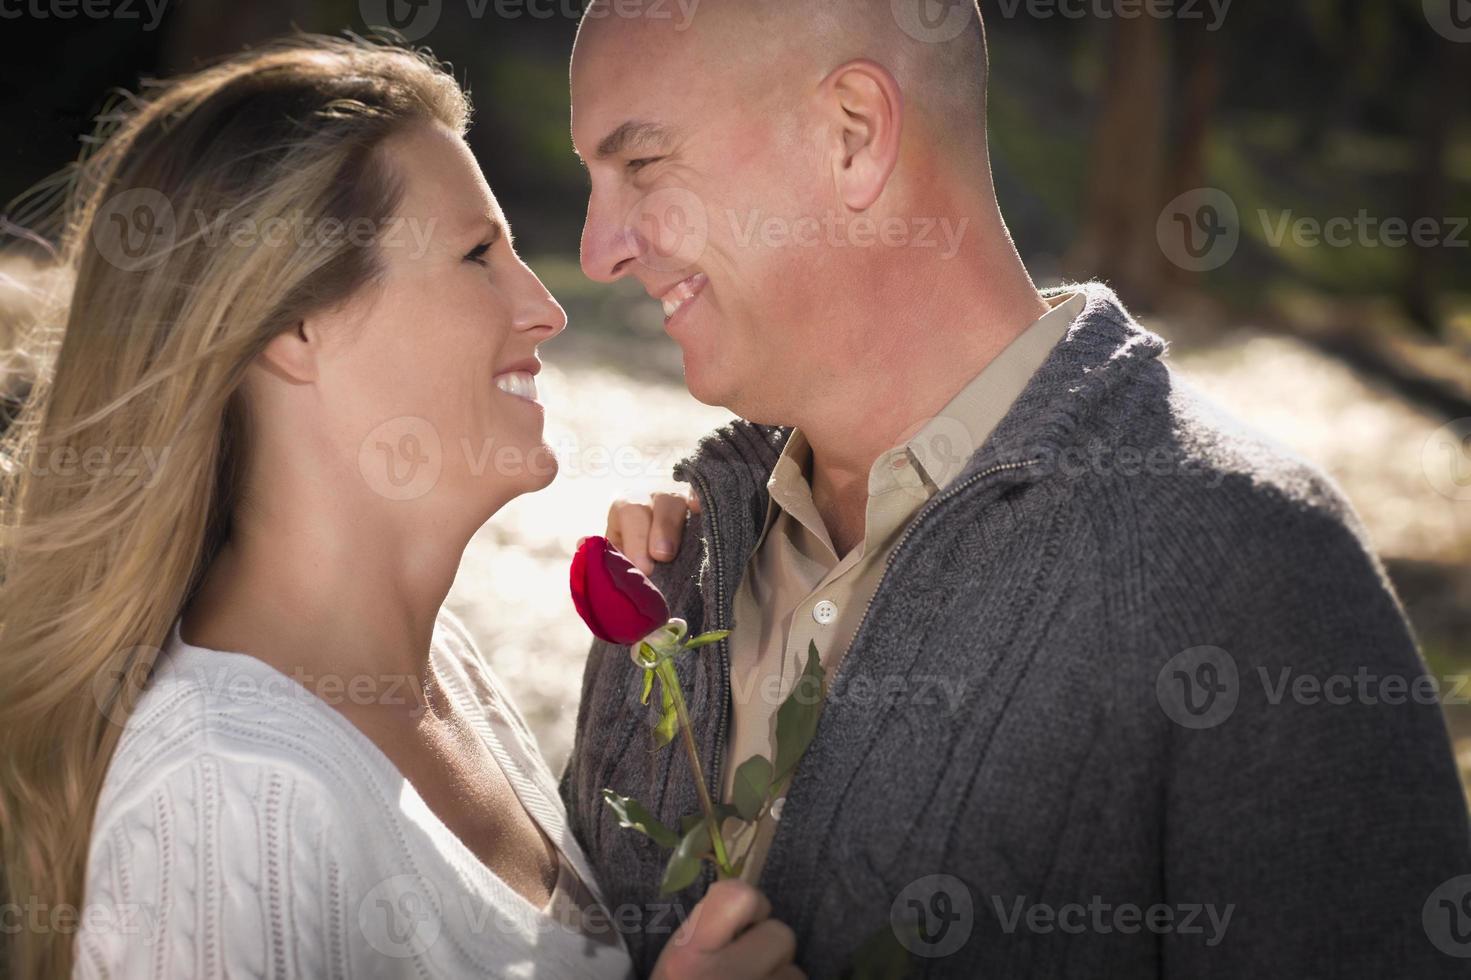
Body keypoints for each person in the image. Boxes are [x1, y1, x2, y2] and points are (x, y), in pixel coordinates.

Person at [560, 2, 1471, 976]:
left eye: (642, 166)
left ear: (852, 135)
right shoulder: (671, 570)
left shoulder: (1252, 565)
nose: (594, 249)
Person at [0, 35, 801, 979]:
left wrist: (725, 578)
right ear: (296, 329)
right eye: (476, 255)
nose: (546, 308)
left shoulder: (441, 671)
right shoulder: (222, 798)